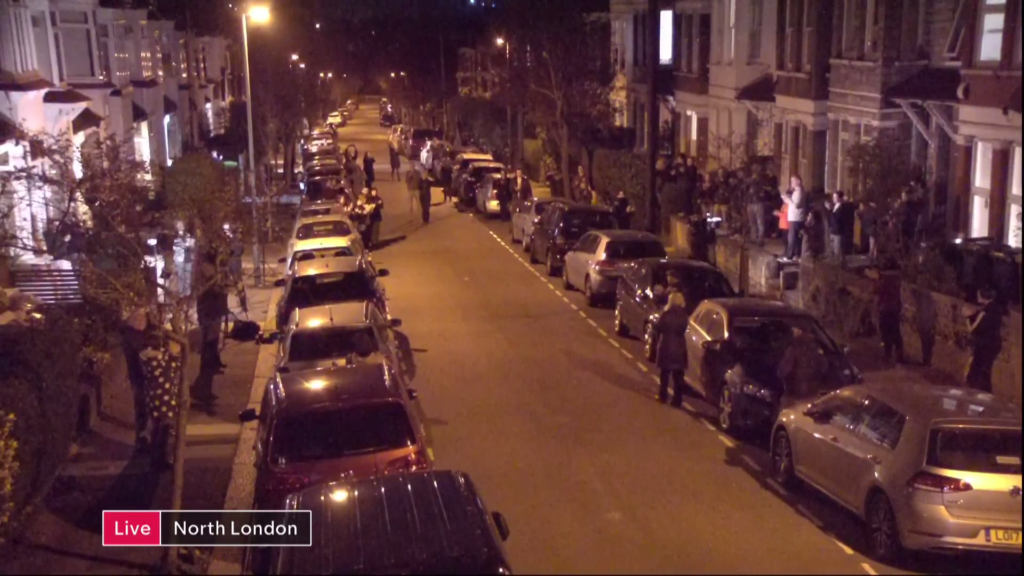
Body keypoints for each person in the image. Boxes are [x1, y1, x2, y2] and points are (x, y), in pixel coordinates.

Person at [139, 323, 182, 469]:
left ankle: (155, 456)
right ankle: (159, 459)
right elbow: (176, 366)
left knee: (158, 425)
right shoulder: (162, 361)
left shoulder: (145, 357)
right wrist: (175, 354)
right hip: (165, 398)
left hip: (153, 396)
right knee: (165, 429)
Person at [651, 292, 690, 407]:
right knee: (678, 377)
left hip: (666, 347)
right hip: (679, 348)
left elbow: (658, 327)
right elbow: (684, 328)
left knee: (664, 374)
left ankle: (662, 396)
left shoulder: (665, 314)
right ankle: (677, 400)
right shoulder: (684, 316)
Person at [121, 307, 150, 448]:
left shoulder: (132, 335)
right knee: (142, 408)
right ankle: (142, 439)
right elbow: (140, 356)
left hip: (138, 377)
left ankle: (143, 437)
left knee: (142, 407)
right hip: (140, 377)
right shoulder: (134, 337)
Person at [963, 288, 1003, 392]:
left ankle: (978, 393)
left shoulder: (985, 312)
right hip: (994, 344)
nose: (977, 297)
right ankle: (986, 393)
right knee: (986, 370)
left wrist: (967, 318)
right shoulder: (996, 309)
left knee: (975, 372)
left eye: (979, 295)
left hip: (984, 345)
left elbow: (973, 329)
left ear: (983, 297)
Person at [873, 269, 904, 363]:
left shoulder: (884, 282)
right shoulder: (896, 284)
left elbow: (876, 291)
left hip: (885, 310)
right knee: (895, 332)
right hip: (894, 310)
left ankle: (888, 353)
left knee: (885, 333)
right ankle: (899, 353)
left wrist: (875, 280)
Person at [780, 175, 807, 262]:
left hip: (796, 217)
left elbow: (796, 204)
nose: (791, 183)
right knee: (795, 237)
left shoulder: (799, 191)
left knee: (792, 237)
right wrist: (786, 199)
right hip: (793, 217)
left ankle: (790, 256)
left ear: (798, 181)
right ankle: (796, 255)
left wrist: (788, 199)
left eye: (793, 181)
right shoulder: (795, 191)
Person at [745, 164, 767, 245]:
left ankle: (760, 239)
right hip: (750, 203)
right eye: (754, 170)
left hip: (759, 203)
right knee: (752, 222)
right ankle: (753, 237)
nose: (755, 172)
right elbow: (745, 187)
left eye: (757, 170)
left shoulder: (762, 180)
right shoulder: (750, 180)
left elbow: (763, 190)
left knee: (760, 222)